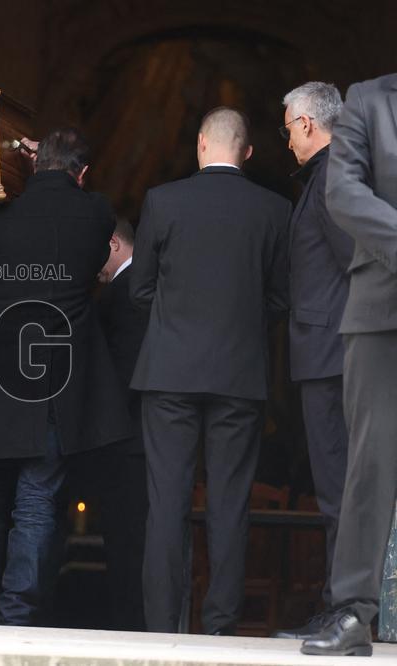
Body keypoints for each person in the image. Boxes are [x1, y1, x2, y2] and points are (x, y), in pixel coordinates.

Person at [0, 128, 130, 626]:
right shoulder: (95, 213)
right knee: (37, 505)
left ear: (33, 167)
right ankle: (17, 618)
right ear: (81, 174)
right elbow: (79, 200)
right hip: (53, 387)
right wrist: (49, 160)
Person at [130, 107, 290, 635]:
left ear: (201, 144)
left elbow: (140, 288)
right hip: (239, 376)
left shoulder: (163, 201)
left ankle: (162, 627)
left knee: (166, 504)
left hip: (169, 373)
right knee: (229, 503)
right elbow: (279, 297)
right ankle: (219, 627)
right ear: (247, 152)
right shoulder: (273, 209)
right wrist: (241, 324)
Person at [301, 73, 397, 658]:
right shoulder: (367, 99)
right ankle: (356, 615)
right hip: (381, 305)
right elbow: (344, 192)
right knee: (369, 463)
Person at [271, 82, 352, 641]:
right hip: (330, 350)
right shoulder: (334, 175)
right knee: (338, 487)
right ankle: (339, 602)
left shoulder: (333, 177)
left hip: (334, 353)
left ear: (305, 124)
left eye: (286, 129)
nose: (286, 142)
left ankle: (344, 608)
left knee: (338, 489)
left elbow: (357, 264)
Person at [88, 217, 150, 631]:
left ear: (113, 243)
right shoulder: (148, 284)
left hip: (125, 437)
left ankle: (129, 628)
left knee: (125, 542)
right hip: (146, 437)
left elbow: (123, 370)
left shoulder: (125, 293)